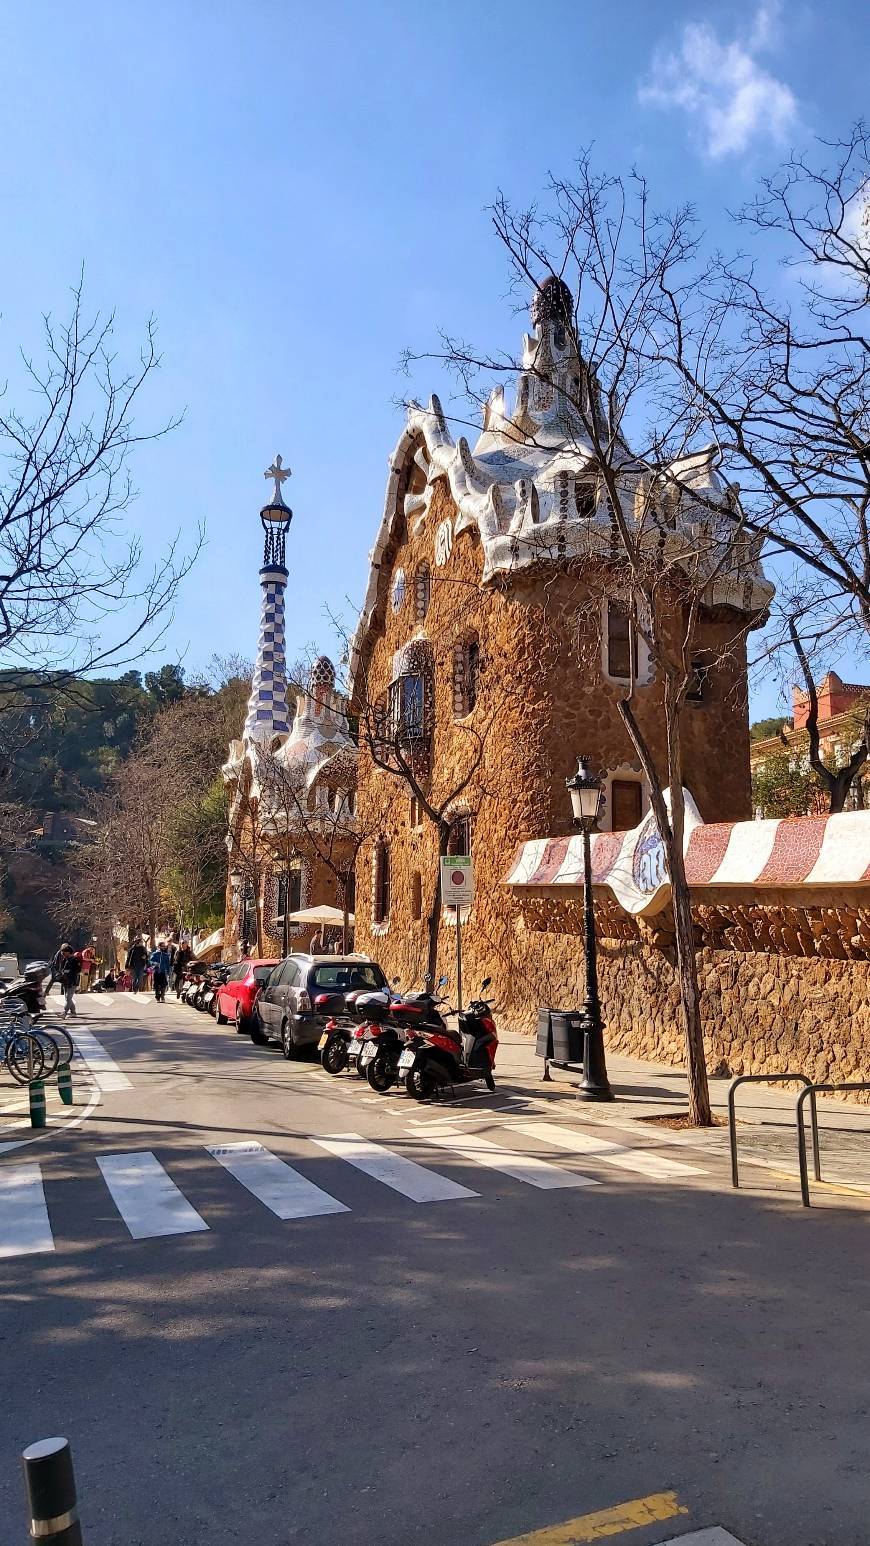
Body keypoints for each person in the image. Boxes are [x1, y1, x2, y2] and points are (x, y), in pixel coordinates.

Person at [58, 944, 81, 1019]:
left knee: (68, 997)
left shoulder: (74, 960)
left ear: (69, 952)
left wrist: (67, 971)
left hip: (72, 981)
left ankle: (64, 1013)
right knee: (67, 998)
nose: (62, 953)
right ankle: (73, 1012)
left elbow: (78, 970)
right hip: (65, 981)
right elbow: (61, 969)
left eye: (64, 951)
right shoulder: (64, 960)